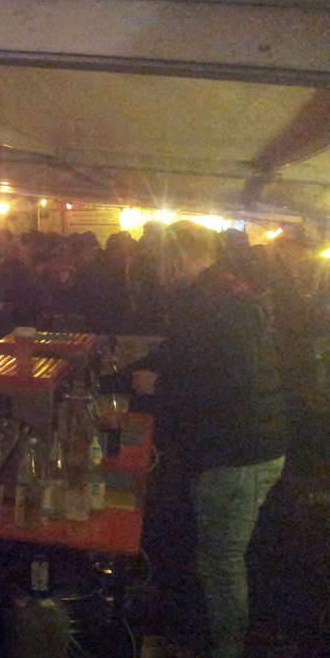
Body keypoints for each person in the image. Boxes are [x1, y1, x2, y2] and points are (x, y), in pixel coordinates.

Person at [131, 221, 287, 658]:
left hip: (240, 451)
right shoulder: (216, 296)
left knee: (220, 562)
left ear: (179, 257)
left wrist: (158, 385)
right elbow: (183, 355)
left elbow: (229, 381)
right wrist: (128, 373)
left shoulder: (223, 304)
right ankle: (199, 639)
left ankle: (225, 649)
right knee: (214, 557)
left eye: (160, 259)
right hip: (238, 446)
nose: (156, 270)